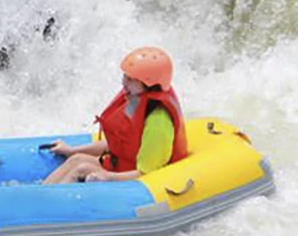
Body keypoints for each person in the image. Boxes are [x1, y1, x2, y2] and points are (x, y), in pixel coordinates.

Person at [43, 46, 189, 184]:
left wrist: (107, 176)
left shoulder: (157, 122)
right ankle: (41, 193)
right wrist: (71, 150)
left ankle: (48, 205)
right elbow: (119, 143)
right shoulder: (136, 99)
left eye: (131, 79)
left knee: (82, 169)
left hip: (136, 178)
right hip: (123, 164)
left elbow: (147, 174)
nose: (123, 82)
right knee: (77, 159)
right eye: (125, 76)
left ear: (149, 84)